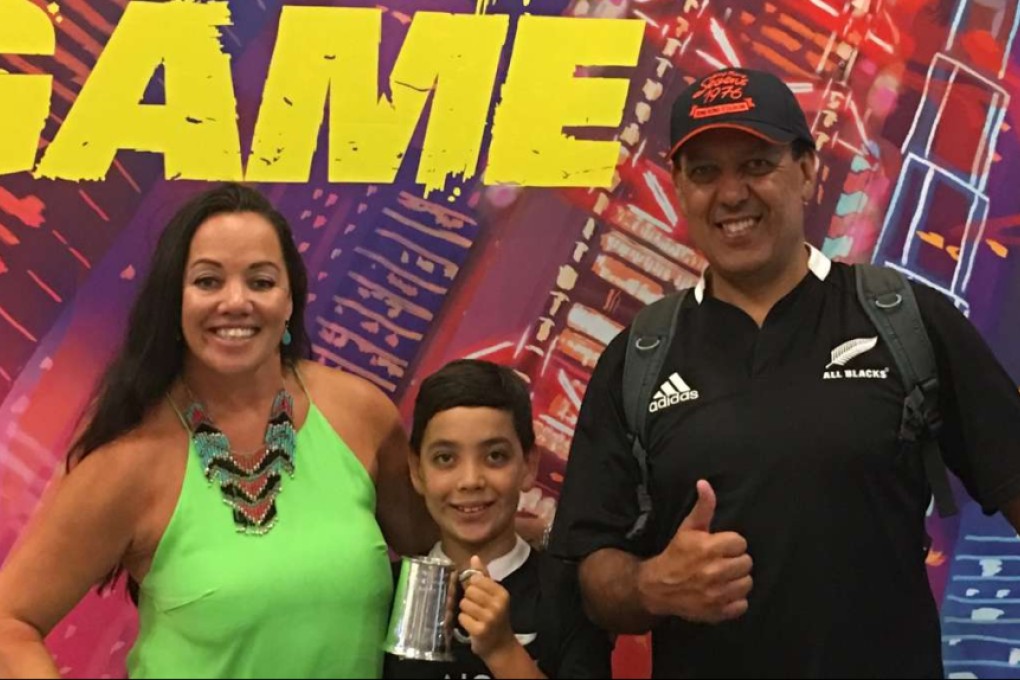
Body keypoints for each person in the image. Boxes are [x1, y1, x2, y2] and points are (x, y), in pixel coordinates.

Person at [549, 67, 1020, 678]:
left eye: (756, 164)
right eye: (705, 172)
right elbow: (588, 571)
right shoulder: (638, 357)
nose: (731, 194)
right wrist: (648, 586)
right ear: (680, 188)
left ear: (807, 170)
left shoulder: (902, 318)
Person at [0, 183, 436, 678]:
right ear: (174, 300)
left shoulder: (360, 413)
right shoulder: (129, 460)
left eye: (261, 281)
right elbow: (10, 623)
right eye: (208, 281)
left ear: (290, 298)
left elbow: (439, 546)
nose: (236, 302)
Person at [385, 359, 611, 679]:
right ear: (417, 470)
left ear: (529, 465)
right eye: (445, 458)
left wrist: (502, 650)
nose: (471, 480)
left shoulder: (570, 594)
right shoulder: (385, 590)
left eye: (495, 456)